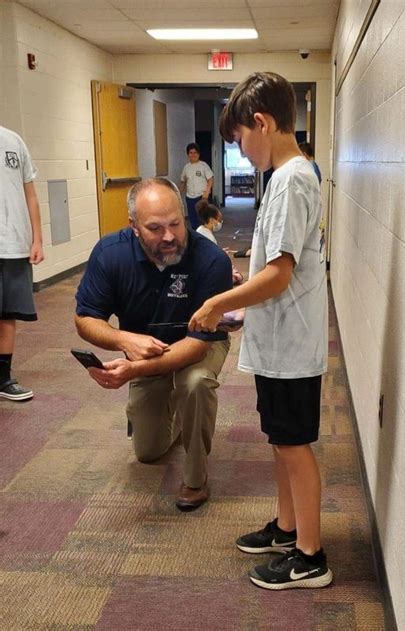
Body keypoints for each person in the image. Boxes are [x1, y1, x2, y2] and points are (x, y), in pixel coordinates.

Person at [189, 72, 333, 589]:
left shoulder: (292, 179)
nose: (242, 151)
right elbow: (272, 265)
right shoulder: (286, 176)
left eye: (240, 140)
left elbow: (279, 274)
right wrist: (241, 289)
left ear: (262, 123)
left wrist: (216, 304)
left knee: (294, 444)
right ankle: (288, 529)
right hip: (279, 338)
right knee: (281, 439)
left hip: (292, 343)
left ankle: (310, 556)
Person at [75, 177, 233, 511]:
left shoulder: (211, 260)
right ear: (133, 226)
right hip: (146, 350)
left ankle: (196, 479)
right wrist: (123, 339)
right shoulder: (110, 254)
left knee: (194, 383)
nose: (169, 236)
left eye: (176, 224)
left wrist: (134, 370)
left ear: (185, 216)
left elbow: (197, 345)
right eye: (155, 228)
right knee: (148, 452)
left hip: (198, 346)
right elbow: (85, 318)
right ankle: (176, 412)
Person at [0, 126, 44, 401]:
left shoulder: (14, 140)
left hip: (14, 246)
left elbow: (31, 194)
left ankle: (3, 378)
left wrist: (37, 238)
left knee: (8, 314)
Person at [195, 199, 243, 285]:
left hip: (203, 267)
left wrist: (220, 252)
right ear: (211, 220)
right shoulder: (206, 235)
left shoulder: (201, 230)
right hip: (204, 270)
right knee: (235, 276)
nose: (220, 223)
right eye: (219, 220)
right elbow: (210, 258)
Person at [179, 143, 213, 230]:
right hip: (190, 197)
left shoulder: (203, 165)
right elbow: (183, 182)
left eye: (195, 152)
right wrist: (178, 194)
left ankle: (204, 235)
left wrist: (207, 192)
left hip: (201, 197)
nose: (193, 155)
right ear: (188, 154)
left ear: (198, 154)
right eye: (191, 153)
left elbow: (210, 179)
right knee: (192, 219)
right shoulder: (186, 167)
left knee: (203, 219)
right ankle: (196, 234)